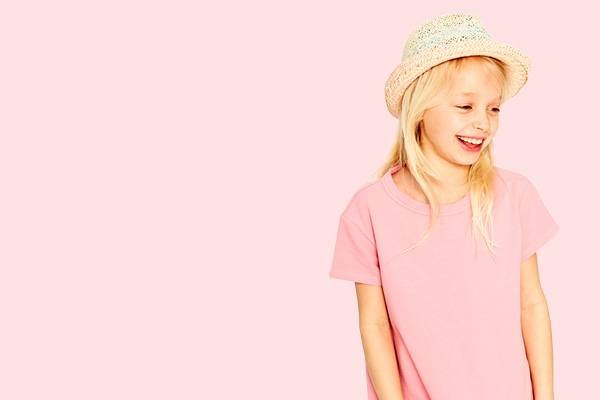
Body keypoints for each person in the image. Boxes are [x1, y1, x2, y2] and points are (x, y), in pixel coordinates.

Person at [329, 13, 560, 400]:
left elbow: (532, 305)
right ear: (420, 109)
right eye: (465, 106)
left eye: (494, 108)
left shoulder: (514, 195)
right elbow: (374, 325)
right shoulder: (368, 211)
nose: (483, 123)